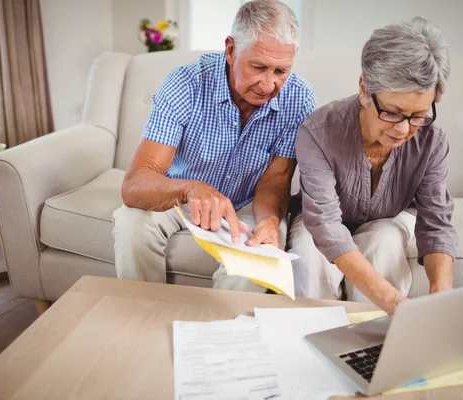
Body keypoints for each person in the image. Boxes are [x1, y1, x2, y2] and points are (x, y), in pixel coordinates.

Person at [112, 0, 316, 292]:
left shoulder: (299, 98)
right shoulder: (185, 84)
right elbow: (134, 183)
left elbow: (276, 180)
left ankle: (222, 333)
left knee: (259, 257)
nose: (269, 85)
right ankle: (143, 319)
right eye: (258, 67)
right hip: (179, 195)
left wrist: (270, 222)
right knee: (132, 222)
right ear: (231, 50)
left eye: (280, 71)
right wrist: (189, 189)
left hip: (248, 201)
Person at [289, 16, 458, 314]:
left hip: (390, 218)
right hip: (320, 220)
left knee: (385, 242)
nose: (404, 130)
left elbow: (436, 223)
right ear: (365, 89)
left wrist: (441, 296)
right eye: (392, 112)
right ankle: (313, 335)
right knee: (307, 253)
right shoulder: (317, 131)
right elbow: (325, 224)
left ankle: (377, 346)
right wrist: (394, 303)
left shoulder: (432, 139)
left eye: (418, 115)